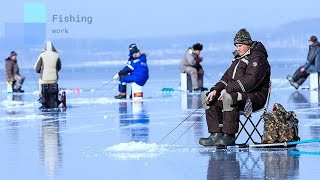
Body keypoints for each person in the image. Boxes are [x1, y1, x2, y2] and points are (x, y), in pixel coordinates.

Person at [199, 29, 271, 146]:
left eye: (240, 45)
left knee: (229, 97)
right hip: (241, 94)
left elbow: (250, 81)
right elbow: (226, 78)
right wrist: (215, 89)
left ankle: (229, 136)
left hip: (256, 97)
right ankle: (216, 134)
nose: (237, 48)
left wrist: (228, 89)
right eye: (236, 46)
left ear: (247, 44)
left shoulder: (258, 58)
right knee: (209, 98)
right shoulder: (238, 58)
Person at [34, 41, 62, 109]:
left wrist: (40, 72)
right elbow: (59, 67)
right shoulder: (57, 55)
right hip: (54, 79)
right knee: (55, 85)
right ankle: (56, 99)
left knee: (40, 83)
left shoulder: (42, 55)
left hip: (44, 79)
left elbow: (36, 68)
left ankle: (41, 97)